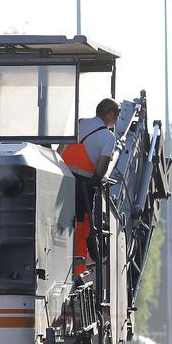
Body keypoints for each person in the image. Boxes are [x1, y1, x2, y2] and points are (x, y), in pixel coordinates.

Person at [61, 99, 121, 274]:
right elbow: (101, 169)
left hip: (60, 180)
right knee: (80, 226)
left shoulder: (78, 123)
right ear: (110, 114)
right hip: (82, 188)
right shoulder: (108, 137)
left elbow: (61, 150)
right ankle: (76, 272)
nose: (117, 120)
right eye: (116, 116)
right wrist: (97, 179)